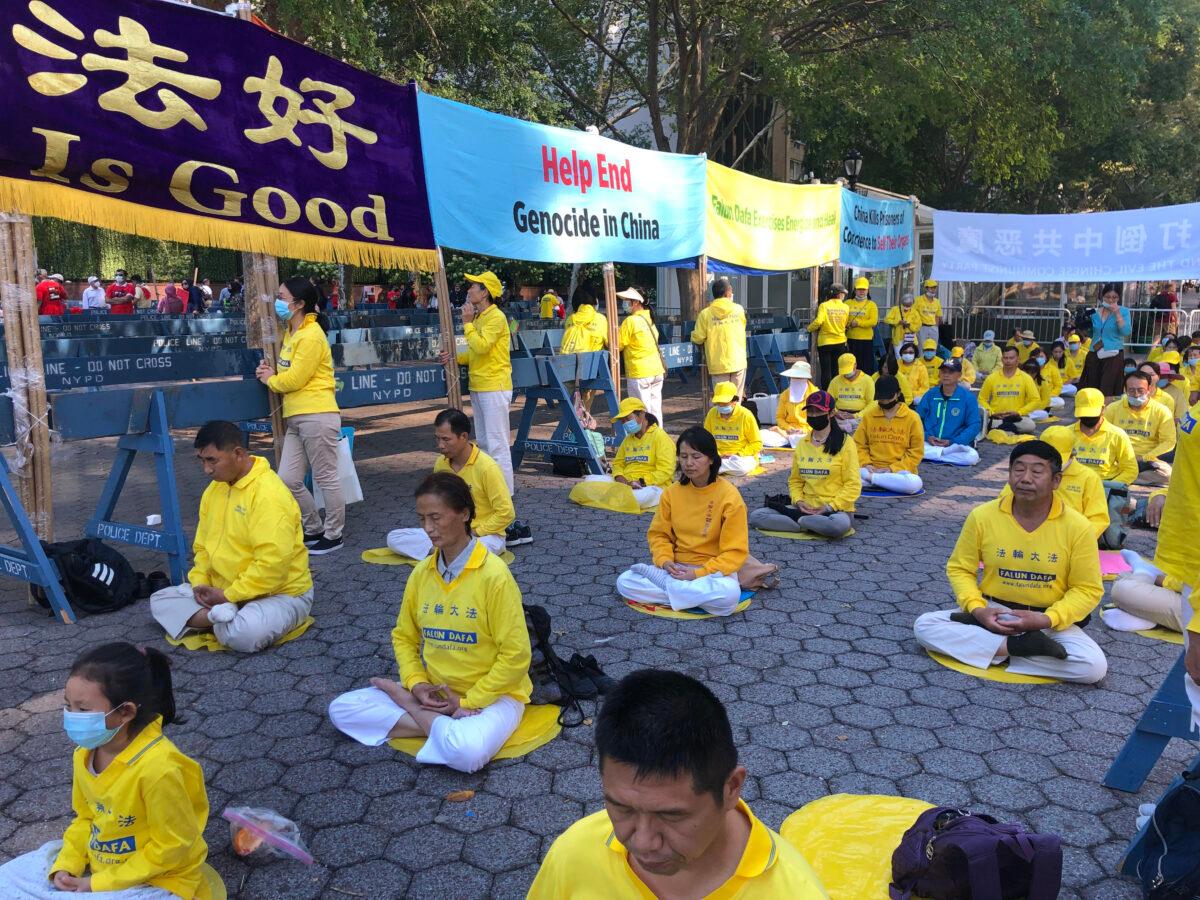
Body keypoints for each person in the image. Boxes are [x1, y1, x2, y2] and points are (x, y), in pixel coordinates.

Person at [527, 669, 828, 899]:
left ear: (731, 789)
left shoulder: (793, 891)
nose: (643, 843)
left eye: (671, 815)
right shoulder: (574, 853)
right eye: (621, 808)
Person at [329, 473, 532, 774]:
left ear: (464, 513)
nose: (427, 528)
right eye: (422, 518)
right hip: (436, 694)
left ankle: (418, 714)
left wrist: (466, 700)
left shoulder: (494, 576)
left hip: (492, 697)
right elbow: (403, 637)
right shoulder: (422, 572)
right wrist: (418, 684)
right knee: (342, 710)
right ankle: (441, 724)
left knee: (467, 753)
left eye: (436, 518)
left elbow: (516, 656)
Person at [0, 643, 221, 899]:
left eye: (83, 710)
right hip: (102, 861)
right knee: (8, 878)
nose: (72, 716)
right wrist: (67, 865)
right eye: (68, 705)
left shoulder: (158, 769)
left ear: (125, 712)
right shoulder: (85, 753)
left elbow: (173, 846)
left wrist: (97, 883)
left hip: (159, 877)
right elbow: (85, 818)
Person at [913, 441, 1107, 684]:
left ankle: (993, 649)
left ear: (1056, 480)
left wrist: (1048, 619)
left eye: (1037, 472)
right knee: (925, 625)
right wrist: (978, 609)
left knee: (1093, 667)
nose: (1025, 478)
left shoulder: (1078, 527)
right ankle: (1018, 648)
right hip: (993, 613)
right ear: (1009, 474)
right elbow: (960, 568)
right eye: (1018, 469)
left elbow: (1087, 589)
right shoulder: (982, 516)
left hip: (1048, 621)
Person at [150, 421, 313, 652]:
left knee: (244, 634)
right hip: (222, 592)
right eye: (202, 461)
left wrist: (229, 595)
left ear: (238, 454)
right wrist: (200, 585)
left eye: (212, 460)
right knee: (159, 600)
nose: (206, 469)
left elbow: (273, 564)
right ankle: (217, 617)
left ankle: (215, 617)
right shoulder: (214, 490)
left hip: (279, 594)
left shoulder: (269, 494)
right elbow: (203, 547)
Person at [616, 427, 777, 614]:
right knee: (625, 581)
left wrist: (696, 574)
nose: (689, 463)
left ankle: (671, 589)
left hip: (712, 573)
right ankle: (686, 593)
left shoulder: (729, 496)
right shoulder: (671, 492)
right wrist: (665, 561)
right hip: (676, 568)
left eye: (696, 456)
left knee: (729, 595)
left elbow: (734, 553)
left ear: (711, 459)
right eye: (683, 457)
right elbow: (659, 535)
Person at [257, 276, 345, 555]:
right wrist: (269, 369)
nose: (277, 302)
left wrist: (270, 379)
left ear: (299, 304)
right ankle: (314, 527)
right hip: (296, 417)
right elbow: (286, 371)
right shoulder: (290, 333)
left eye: (282, 297)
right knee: (288, 478)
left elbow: (294, 379)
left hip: (317, 413)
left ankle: (334, 534)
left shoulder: (311, 335)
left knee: (326, 477)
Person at [387, 409, 516, 556]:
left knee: (474, 550)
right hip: (448, 532)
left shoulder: (487, 467)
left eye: (446, 439)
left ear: (464, 436)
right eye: (438, 439)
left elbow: (506, 513)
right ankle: (442, 552)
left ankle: (441, 553)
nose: (440, 445)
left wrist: (474, 532)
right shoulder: (440, 464)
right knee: (394, 538)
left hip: (485, 536)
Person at [440, 271, 516, 496]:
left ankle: (505, 496)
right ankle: (490, 492)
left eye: (473, 286)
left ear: (485, 292)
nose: (468, 290)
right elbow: (475, 353)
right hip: (480, 385)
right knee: (483, 442)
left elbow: (481, 346)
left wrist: (467, 324)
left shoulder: (496, 317)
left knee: (498, 444)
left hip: (494, 386)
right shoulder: (480, 318)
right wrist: (454, 357)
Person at [748, 391, 860, 538]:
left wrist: (828, 507)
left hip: (834, 511)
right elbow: (795, 480)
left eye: (819, 411)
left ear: (831, 413)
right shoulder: (802, 443)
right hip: (804, 508)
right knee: (757, 516)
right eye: (810, 412)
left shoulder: (846, 443)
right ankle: (807, 523)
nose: (813, 416)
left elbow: (853, 485)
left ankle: (798, 522)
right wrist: (799, 501)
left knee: (838, 526)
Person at [999, 425, 1108, 540]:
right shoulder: (1025, 477)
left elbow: (1098, 520)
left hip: (1068, 538)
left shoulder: (1088, 477)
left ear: (1072, 454)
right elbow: (1002, 504)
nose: (1027, 478)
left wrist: (1077, 540)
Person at [577, 397, 675, 510]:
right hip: (627, 483)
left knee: (637, 497)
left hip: (652, 486)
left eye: (627, 419)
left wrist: (641, 482)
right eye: (622, 421)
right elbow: (618, 463)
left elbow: (665, 471)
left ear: (642, 414)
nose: (625, 424)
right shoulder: (628, 439)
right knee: (588, 481)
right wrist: (619, 476)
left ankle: (615, 496)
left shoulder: (661, 438)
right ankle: (618, 496)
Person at [1070, 388, 1137, 549]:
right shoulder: (1067, 433)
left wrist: (1104, 487)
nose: (1088, 418)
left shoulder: (1116, 435)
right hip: (1073, 487)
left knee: (1112, 542)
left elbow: (1130, 469)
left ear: (1103, 408)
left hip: (1106, 487)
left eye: (1092, 413)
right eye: (1084, 414)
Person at [855, 375, 924, 494]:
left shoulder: (912, 418)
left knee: (914, 483)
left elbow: (916, 452)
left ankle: (872, 481)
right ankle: (878, 480)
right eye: (881, 399)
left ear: (898, 394)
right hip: (870, 468)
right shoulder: (869, 416)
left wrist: (892, 469)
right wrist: (866, 464)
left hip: (899, 472)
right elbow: (858, 445)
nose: (885, 401)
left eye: (888, 398)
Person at [1104, 370, 1175, 485]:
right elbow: (1104, 435)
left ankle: (1119, 478)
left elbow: (1169, 441)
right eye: (1131, 390)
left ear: (1149, 390)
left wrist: (1145, 457)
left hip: (1147, 461)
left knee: (1167, 475)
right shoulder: (1112, 408)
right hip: (1118, 459)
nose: (1136, 394)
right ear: (1125, 390)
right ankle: (1127, 477)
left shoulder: (1161, 411)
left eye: (1140, 390)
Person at [917, 359, 981, 466]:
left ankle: (937, 455)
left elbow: (974, 425)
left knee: (972, 457)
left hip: (954, 445)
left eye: (950, 372)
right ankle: (943, 455)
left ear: (959, 375)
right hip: (929, 442)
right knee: (906, 447)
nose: (946, 375)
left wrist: (952, 441)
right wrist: (927, 436)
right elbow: (917, 419)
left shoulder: (968, 397)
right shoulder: (930, 394)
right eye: (943, 372)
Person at [616, 287, 665, 425]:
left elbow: (618, 345)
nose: (624, 303)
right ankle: (658, 438)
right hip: (656, 370)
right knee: (655, 410)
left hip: (639, 372)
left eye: (626, 300)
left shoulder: (630, 321)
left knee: (642, 411)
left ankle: (648, 441)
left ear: (636, 302)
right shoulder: (649, 318)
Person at [692, 278, 748, 398]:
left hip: (718, 364)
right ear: (728, 293)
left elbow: (698, 338)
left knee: (722, 400)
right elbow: (743, 326)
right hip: (738, 361)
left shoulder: (705, 314)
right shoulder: (739, 310)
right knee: (736, 400)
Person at [1078, 283, 1131, 397]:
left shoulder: (1124, 311)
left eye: (1114, 297)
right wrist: (1083, 325)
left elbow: (1125, 332)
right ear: (1102, 296)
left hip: (1113, 352)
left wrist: (1117, 314)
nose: (1111, 300)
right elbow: (1092, 333)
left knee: (1108, 385)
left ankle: (1107, 411)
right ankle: (1092, 410)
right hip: (1095, 351)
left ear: (1118, 298)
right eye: (1108, 297)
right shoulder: (1095, 313)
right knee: (1092, 383)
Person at [703, 382, 762, 477]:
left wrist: (738, 454)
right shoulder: (712, 413)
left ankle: (713, 468)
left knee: (743, 468)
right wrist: (717, 454)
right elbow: (705, 440)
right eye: (719, 403)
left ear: (735, 401)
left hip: (740, 457)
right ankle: (716, 467)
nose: (721, 406)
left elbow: (757, 443)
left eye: (725, 403)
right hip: (716, 455)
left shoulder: (746, 415)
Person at [979, 345, 1040, 436]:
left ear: (1017, 359)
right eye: (1005, 358)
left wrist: (1019, 412)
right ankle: (1006, 428)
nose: (1008, 361)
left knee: (1030, 425)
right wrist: (992, 412)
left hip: (1017, 418)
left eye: (1011, 358)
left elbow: (1035, 400)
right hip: (996, 417)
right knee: (979, 422)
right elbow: (981, 399)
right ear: (1002, 359)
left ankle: (1000, 428)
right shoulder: (992, 377)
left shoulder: (1026, 378)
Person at [761, 360, 816, 449]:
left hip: (808, 432)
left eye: (799, 378)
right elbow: (780, 417)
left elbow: (818, 420)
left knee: (813, 438)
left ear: (806, 379)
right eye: (793, 377)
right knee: (761, 434)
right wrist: (788, 428)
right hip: (787, 431)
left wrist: (803, 430)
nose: (796, 380)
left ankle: (788, 438)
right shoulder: (785, 394)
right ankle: (788, 438)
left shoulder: (815, 395)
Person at [807, 283, 850, 389]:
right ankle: (836, 392)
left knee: (826, 371)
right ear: (839, 294)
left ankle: (826, 393)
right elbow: (845, 324)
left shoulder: (824, 306)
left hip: (825, 343)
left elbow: (818, 321)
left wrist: (808, 329)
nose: (844, 295)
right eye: (843, 293)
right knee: (837, 370)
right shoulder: (845, 307)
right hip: (840, 342)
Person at [827, 351, 875, 434]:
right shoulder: (835, 380)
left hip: (859, 417)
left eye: (848, 370)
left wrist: (856, 416)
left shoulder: (867, 380)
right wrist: (835, 412)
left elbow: (872, 403)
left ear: (855, 365)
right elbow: (828, 400)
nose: (846, 374)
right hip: (839, 417)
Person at [845, 277, 879, 375]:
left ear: (868, 290)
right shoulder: (847, 303)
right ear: (855, 290)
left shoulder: (872, 305)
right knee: (851, 365)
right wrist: (848, 324)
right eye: (859, 289)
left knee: (866, 366)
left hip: (866, 340)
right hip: (850, 339)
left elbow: (873, 321)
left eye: (864, 289)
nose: (861, 292)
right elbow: (844, 319)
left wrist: (858, 323)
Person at [884, 293, 922, 358]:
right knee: (898, 356)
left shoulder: (915, 312)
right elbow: (886, 320)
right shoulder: (895, 309)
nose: (906, 307)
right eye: (905, 305)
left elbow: (918, 326)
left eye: (909, 305)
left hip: (910, 337)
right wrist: (898, 322)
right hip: (898, 338)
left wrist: (909, 325)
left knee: (909, 356)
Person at [1020, 358, 1053, 422]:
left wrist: (1032, 408)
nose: (1029, 375)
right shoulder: (1017, 380)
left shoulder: (1042, 382)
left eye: (1032, 373)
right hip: (1020, 408)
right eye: (1027, 372)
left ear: (1037, 372)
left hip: (1033, 410)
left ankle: (1022, 418)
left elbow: (1046, 400)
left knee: (1044, 415)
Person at [916, 279, 942, 348]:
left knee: (933, 347)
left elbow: (938, 315)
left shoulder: (937, 301)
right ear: (926, 288)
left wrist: (935, 326)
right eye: (931, 288)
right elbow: (913, 313)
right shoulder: (918, 300)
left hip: (933, 328)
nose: (933, 290)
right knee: (921, 347)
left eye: (934, 288)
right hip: (922, 328)